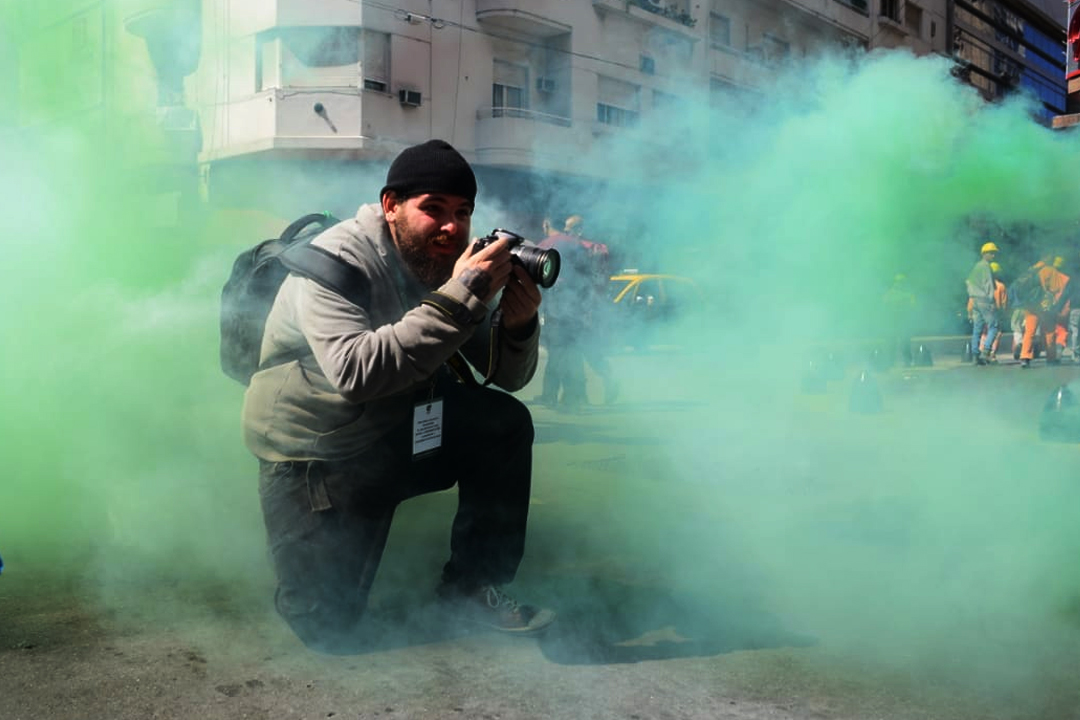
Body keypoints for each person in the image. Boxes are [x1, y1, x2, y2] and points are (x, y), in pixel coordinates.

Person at [242, 139, 555, 654]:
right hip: (317, 452)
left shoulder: (446, 262)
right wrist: (463, 296)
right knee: (327, 630)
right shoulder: (336, 261)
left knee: (504, 422)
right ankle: (314, 546)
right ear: (391, 207)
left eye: (462, 213)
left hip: (393, 430)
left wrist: (518, 324)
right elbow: (357, 373)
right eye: (432, 209)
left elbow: (508, 377)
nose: (450, 227)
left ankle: (471, 587)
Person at [966, 241, 999, 366]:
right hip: (984, 300)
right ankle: (986, 352)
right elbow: (988, 284)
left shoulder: (976, 266)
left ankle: (975, 356)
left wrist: (972, 296)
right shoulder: (985, 266)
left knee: (977, 328)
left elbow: (968, 283)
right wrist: (991, 300)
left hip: (975, 300)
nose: (993, 256)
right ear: (984, 253)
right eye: (991, 253)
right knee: (994, 326)